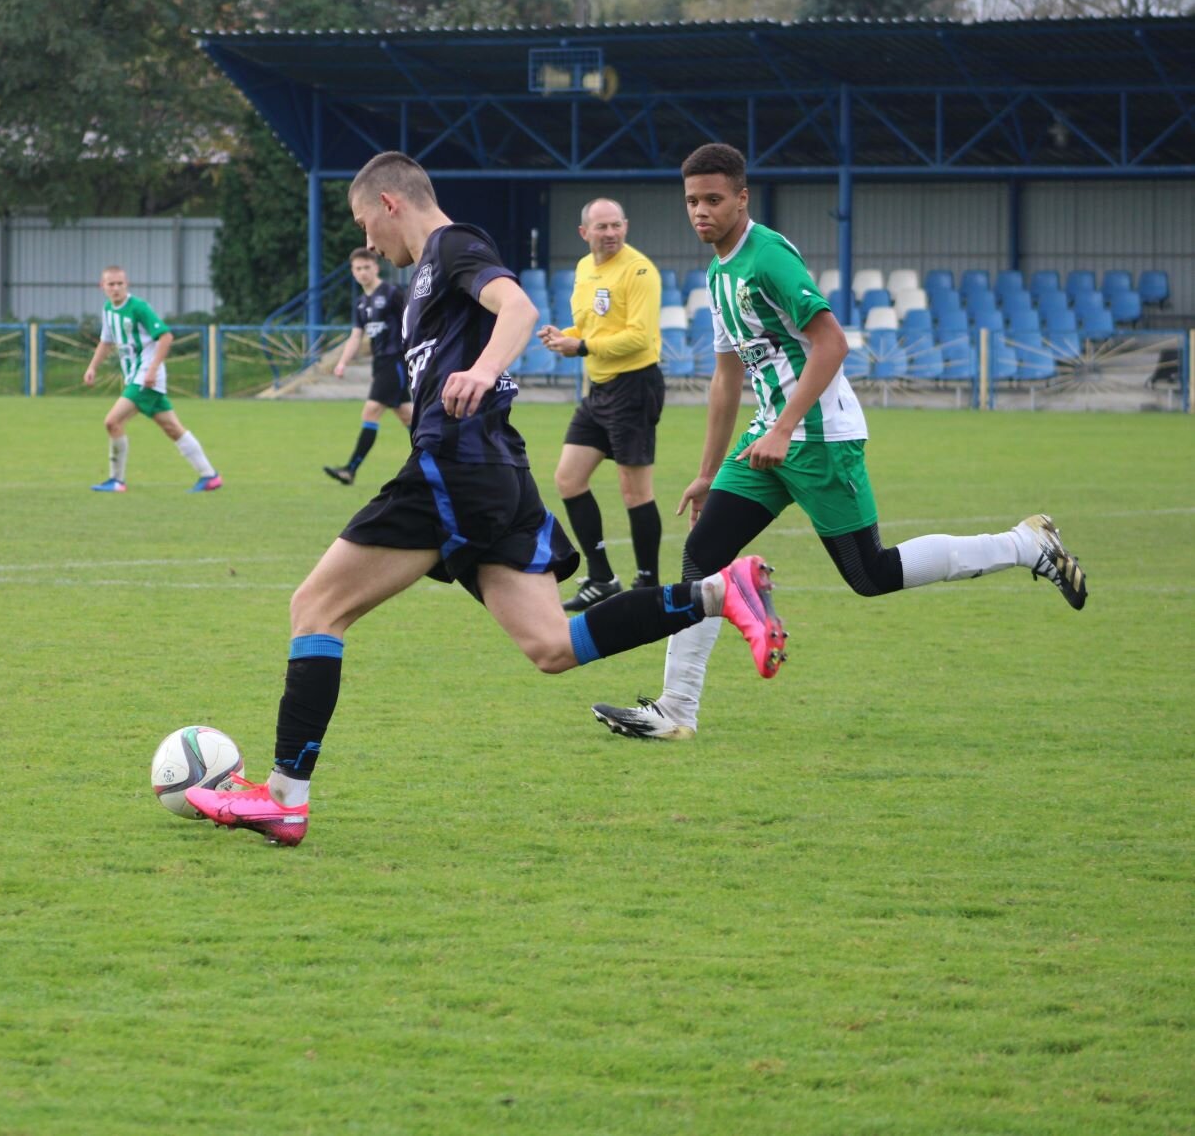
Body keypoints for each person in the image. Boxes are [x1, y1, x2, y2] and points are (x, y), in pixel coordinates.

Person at [183, 151, 788, 847]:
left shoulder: (452, 245)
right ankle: (721, 592)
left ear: (388, 204)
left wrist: (484, 368)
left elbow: (518, 307)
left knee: (315, 608)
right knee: (552, 645)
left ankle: (286, 797)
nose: (366, 240)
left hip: (456, 464)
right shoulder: (423, 281)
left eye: (362, 221)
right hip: (491, 468)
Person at [592, 144, 1087, 742]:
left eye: (713, 199)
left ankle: (1025, 544)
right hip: (767, 439)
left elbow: (832, 344)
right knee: (702, 557)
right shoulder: (719, 272)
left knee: (869, 573)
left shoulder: (768, 257)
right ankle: (676, 709)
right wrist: (708, 470)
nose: (701, 211)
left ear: (742, 198)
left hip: (821, 438)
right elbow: (727, 378)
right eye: (692, 200)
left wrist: (784, 428)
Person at [536, 197, 666, 613]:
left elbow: (639, 337)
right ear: (584, 232)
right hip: (600, 389)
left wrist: (581, 346)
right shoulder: (583, 268)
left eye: (616, 225)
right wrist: (565, 336)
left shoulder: (639, 270)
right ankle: (602, 578)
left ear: (625, 226)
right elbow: (591, 325)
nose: (610, 233)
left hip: (635, 386)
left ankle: (648, 583)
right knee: (568, 479)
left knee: (634, 490)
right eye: (602, 227)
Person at [83, 266, 221, 492]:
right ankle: (210, 476)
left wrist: (152, 370)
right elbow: (106, 342)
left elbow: (166, 337)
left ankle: (116, 481)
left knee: (112, 422)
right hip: (136, 377)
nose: (116, 288)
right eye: (111, 284)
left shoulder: (139, 307)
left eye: (120, 283)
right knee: (172, 427)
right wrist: (92, 367)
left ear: (127, 284)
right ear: (102, 286)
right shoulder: (108, 309)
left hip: (145, 376)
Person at [323, 247, 412, 484]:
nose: (362, 272)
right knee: (408, 416)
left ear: (376, 267)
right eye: (358, 269)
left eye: (366, 267)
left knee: (371, 410)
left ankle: (350, 470)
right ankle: (442, 457)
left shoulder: (392, 293)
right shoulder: (361, 303)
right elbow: (355, 336)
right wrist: (342, 362)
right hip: (380, 363)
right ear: (353, 272)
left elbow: (413, 321)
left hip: (396, 361)